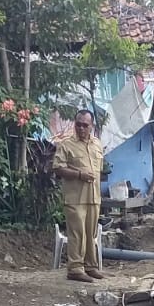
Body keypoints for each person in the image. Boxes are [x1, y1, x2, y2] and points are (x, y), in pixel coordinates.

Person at [53, 109, 107, 282]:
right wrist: (79, 175)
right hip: (75, 198)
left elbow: (100, 169)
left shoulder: (97, 144)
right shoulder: (66, 145)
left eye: (85, 125)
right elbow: (58, 168)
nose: (81, 128)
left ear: (91, 126)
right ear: (74, 124)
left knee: (91, 234)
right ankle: (75, 268)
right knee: (77, 233)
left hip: (93, 197)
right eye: (78, 124)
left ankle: (90, 266)